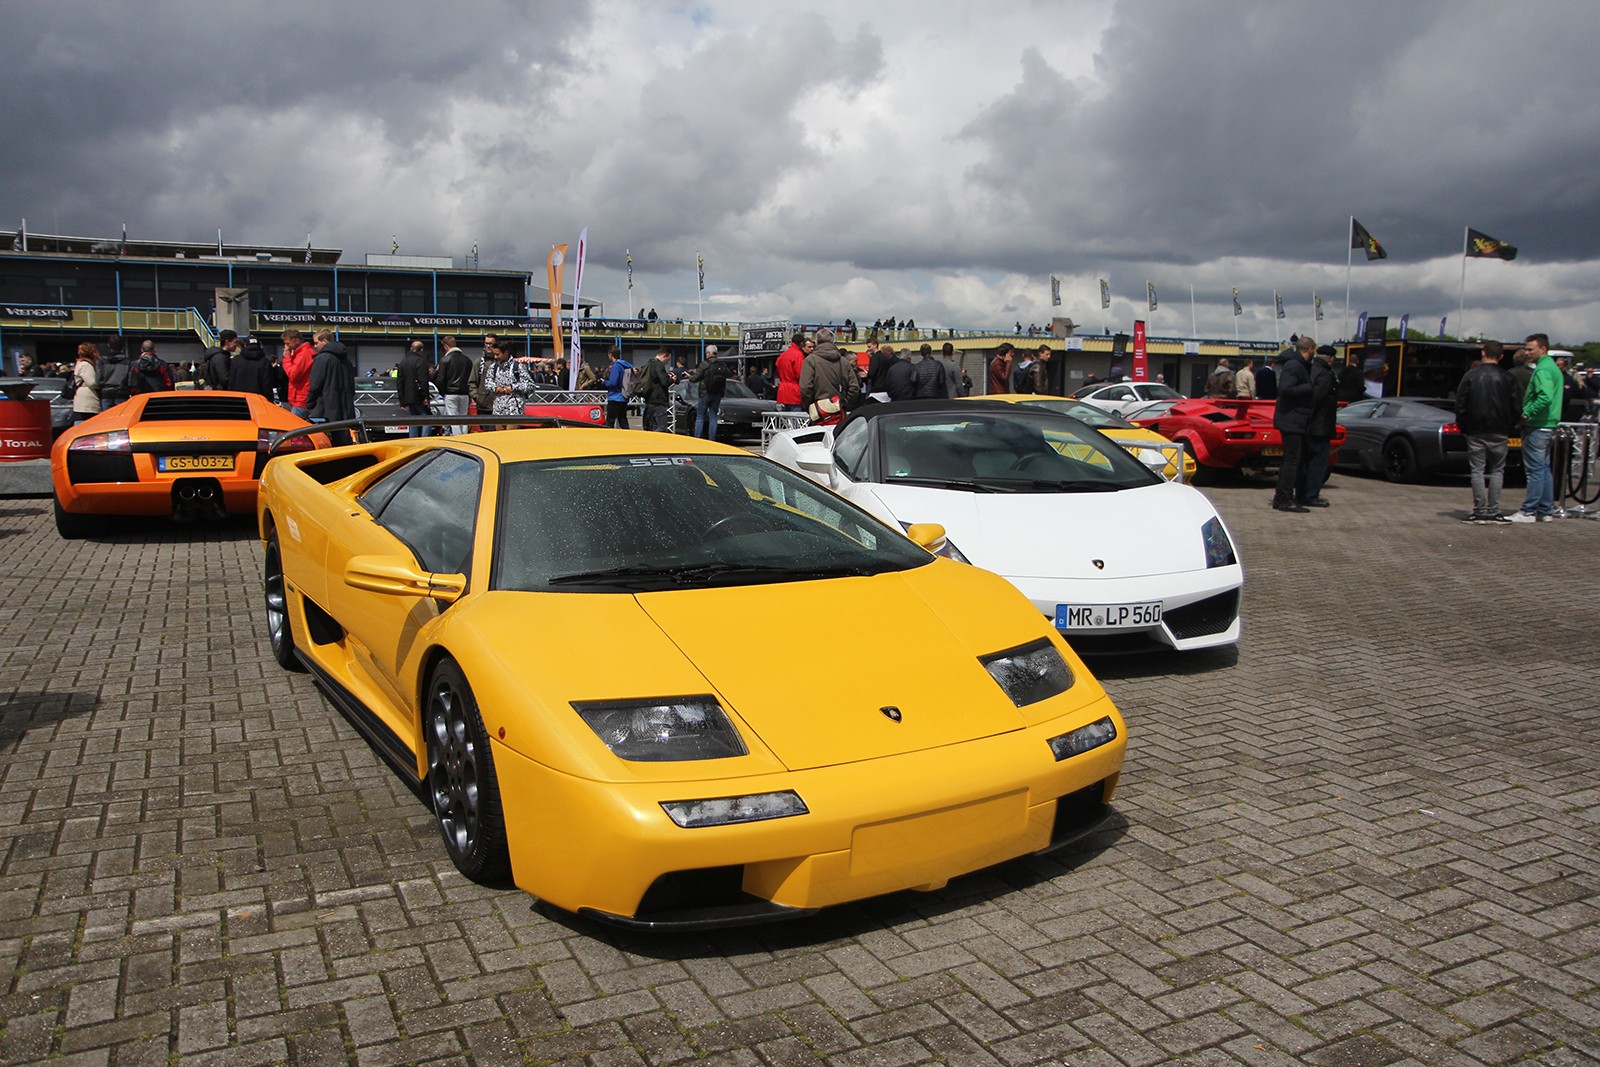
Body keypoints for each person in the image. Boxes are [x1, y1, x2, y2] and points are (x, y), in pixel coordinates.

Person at [1455, 340, 1518, 523]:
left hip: (1475, 429)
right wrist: (1511, 425)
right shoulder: (1508, 377)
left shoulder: (1470, 376)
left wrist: (1463, 426)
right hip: (1500, 429)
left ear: (1483, 353)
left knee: (1477, 471)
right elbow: (1516, 405)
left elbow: (1461, 404)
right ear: (1501, 356)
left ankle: (1479, 510)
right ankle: (1494, 510)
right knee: (1498, 470)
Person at [1507, 333, 1562, 523]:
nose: (1527, 352)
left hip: (1538, 425)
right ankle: (1545, 510)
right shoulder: (1552, 368)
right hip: (1547, 424)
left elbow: (1545, 397)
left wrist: (1526, 413)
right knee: (1543, 468)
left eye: (1531, 349)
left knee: (1535, 470)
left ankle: (1528, 511)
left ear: (1543, 349)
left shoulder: (1543, 370)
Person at [1270, 340, 1314, 512]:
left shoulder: (1296, 364)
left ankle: (1281, 497)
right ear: (1311, 349)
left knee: (1289, 459)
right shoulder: (1295, 366)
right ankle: (1285, 498)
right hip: (1292, 420)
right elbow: (1285, 389)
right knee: (1291, 460)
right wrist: (1308, 387)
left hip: (1293, 419)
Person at [1297, 346, 1339, 507]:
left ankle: (1302, 494)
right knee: (1318, 462)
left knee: (1305, 462)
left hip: (1310, 425)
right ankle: (1311, 495)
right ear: (1330, 358)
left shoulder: (1311, 369)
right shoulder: (1325, 374)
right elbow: (1317, 399)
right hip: (1320, 426)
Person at [305, 327, 357, 445]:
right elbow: (351, 383)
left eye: (316, 343)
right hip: (344, 406)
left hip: (326, 407)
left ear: (325, 341)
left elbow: (315, 384)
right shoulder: (345, 360)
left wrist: (310, 403)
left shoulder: (322, 358)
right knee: (343, 439)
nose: (315, 346)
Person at [798, 327, 859, 424]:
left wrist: (809, 405)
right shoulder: (843, 361)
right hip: (838, 410)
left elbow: (805, 387)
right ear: (833, 342)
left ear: (816, 342)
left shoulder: (810, 360)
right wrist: (844, 403)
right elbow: (854, 387)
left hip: (819, 411)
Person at [483, 337, 536, 416]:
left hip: (514, 409)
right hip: (498, 410)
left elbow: (530, 386)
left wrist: (513, 387)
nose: (495, 357)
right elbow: (487, 384)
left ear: (506, 352)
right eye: (494, 354)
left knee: (512, 428)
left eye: (498, 354)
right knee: (499, 429)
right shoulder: (493, 367)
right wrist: (495, 388)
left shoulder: (518, 367)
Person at [689, 345, 730, 439]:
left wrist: (690, 376)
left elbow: (695, 378)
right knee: (713, 416)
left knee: (700, 417)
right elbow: (728, 374)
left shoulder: (704, 364)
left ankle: (698, 438)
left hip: (705, 392)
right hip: (718, 393)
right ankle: (712, 438)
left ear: (708, 354)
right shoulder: (722, 365)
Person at [435, 336, 473, 435]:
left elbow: (440, 379)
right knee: (463, 418)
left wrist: (443, 392)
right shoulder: (467, 360)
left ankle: (458, 438)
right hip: (464, 394)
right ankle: (465, 437)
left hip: (450, 393)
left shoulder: (445, 359)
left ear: (446, 346)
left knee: (453, 419)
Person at [397, 339, 433, 438]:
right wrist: (425, 397)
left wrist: (402, 400)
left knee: (414, 418)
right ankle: (424, 439)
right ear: (421, 350)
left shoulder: (403, 362)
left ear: (411, 349)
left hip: (408, 395)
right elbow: (423, 380)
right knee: (427, 417)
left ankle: (413, 438)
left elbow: (399, 382)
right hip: (419, 394)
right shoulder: (421, 361)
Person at [280, 329, 315, 416]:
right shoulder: (300, 354)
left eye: (288, 343)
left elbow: (294, 375)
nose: (286, 347)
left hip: (301, 400)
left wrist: (287, 358)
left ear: (297, 341)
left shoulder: (304, 354)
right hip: (299, 399)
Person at [638, 348, 674, 431]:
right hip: (658, 399)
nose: (667, 362)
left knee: (654, 426)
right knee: (662, 427)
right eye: (668, 360)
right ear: (664, 356)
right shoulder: (659, 365)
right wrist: (672, 379)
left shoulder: (649, 363)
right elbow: (664, 382)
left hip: (649, 399)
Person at [67, 342, 101, 424]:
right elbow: (92, 383)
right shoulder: (86, 365)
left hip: (81, 398)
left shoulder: (80, 363)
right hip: (88, 399)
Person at [775, 331, 806, 411]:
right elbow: (800, 374)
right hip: (794, 391)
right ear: (802, 343)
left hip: (782, 391)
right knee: (795, 420)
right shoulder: (798, 354)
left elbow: (777, 368)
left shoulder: (783, 355)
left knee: (783, 421)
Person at [98, 335, 132, 409]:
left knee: (107, 418)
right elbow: (130, 380)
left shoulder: (102, 361)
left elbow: (98, 378)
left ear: (108, 345)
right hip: (122, 392)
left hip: (106, 393)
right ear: (122, 346)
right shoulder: (127, 362)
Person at [602, 346, 632, 428]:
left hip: (614, 397)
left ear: (611, 354)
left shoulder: (616, 366)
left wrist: (604, 382)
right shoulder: (624, 365)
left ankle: (610, 439)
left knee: (610, 422)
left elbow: (613, 383)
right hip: (623, 396)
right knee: (623, 421)